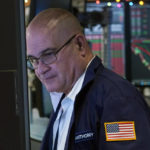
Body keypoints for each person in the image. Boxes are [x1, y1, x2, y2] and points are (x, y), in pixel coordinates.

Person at [26, 8, 150, 150]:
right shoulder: (64, 100)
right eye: (34, 60)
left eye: (48, 54)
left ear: (80, 45)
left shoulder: (117, 101)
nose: (40, 69)